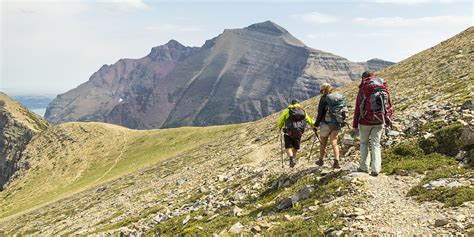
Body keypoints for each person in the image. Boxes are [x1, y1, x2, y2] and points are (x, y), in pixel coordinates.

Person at [353, 71, 392, 176]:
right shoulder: (382, 86)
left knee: (364, 143)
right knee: (376, 144)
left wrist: (355, 125)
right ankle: (376, 169)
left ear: (363, 77)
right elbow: (388, 104)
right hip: (379, 120)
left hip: (365, 121)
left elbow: (357, 108)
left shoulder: (363, 88)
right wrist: (387, 120)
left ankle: (364, 167)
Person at [314, 83, 344, 169]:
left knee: (323, 142)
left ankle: (321, 160)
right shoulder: (337, 98)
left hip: (326, 124)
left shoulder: (323, 99)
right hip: (337, 123)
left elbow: (320, 113)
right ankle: (336, 161)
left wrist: (316, 125)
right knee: (334, 142)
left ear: (322, 90)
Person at [278, 99, 315, 168]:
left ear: (291, 104)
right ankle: (293, 160)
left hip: (288, 132)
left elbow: (281, 121)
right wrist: (314, 124)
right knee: (295, 146)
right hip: (298, 132)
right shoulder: (302, 111)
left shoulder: (287, 111)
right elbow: (309, 120)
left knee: (288, 146)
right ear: (298, 103)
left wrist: (280, 126)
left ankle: (291, 158)